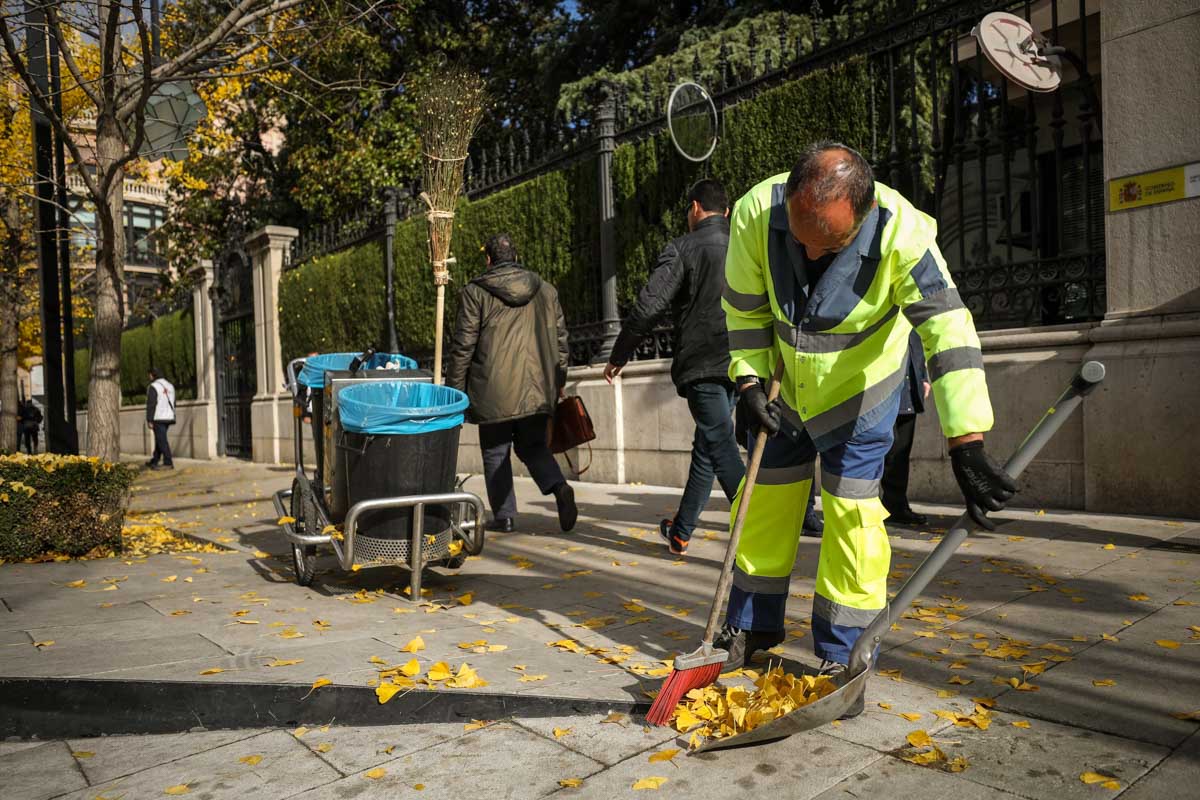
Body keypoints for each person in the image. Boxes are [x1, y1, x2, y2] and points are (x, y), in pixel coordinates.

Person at [715, 142, 1017, 717]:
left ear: (865, 208)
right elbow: (745, 311)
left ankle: (843, 649)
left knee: (852, 518)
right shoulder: (756, 213)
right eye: (800, 235)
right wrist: (748, 382)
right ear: (791, 196)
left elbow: (949, 328)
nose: (806, 250)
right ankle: (750, 629)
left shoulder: (905, 234)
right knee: (763, 506)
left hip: (860, 393)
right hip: (783, 390)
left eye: (826, 244)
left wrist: (966, 438)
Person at [603, 179, 744, 556]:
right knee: (709, 444)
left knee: (720, 445)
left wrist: (619, 355)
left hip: (702, 363)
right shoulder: (745, 247)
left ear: (695, 208)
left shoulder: (683, 248)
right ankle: (681, 532)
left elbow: (649, 307)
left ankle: (758, 526)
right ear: (727, 212)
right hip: (740, 361)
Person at [446, 232, 577, 534]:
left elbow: (463, 346)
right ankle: (559, 487)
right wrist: (559, 381)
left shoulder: (475, 293)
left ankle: (504, 517)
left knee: (495, 451)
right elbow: (561, 342)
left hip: (494, 390)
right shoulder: (546, 290)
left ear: (488, 260)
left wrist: (455, 392)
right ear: (516, 258)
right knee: (533, 446)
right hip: (537, 386)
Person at [882, 330, 931, 526]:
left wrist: (922, 375)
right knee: (880, 450)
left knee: (900, 452)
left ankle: (895, 505)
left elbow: (915, 340)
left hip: (908, 386)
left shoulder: (911, 305)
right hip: (883, 387)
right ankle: (873, 508)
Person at [145, 369, 176, 469]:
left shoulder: (154, 386)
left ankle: (168, 462)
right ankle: (155, 460)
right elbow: (174, 402)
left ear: (153, 375)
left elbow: (151, 404)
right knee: (160, 439)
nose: (148, 377)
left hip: (158, 417)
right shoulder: (170, 386)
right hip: (169, 416)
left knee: (161, 440)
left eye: (149, 375)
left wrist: (149, 419)